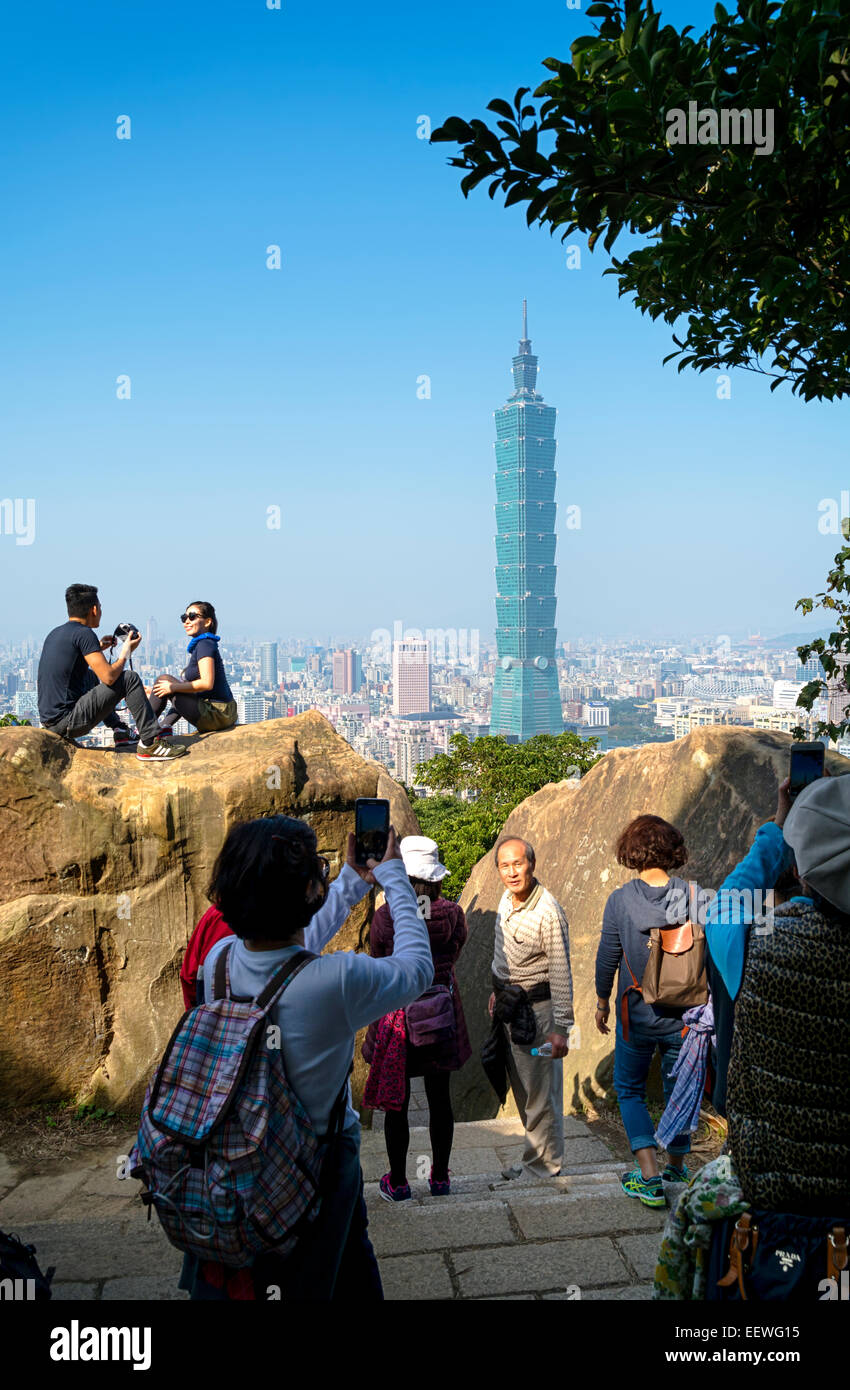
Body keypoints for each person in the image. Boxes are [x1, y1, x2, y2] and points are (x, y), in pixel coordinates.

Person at [181, 816, 433, 1301]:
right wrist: (393, 876)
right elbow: (417, 968)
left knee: (344, 1265)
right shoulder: (336, 981)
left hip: (232, 1156)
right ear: (307, 890)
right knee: (324, 1275)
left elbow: (288, 953)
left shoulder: (220, 961)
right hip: (313, 1167)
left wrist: (351, 884)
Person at [726, 773, 850, 1215]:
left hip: (773, 1197)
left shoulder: (760, 947)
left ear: (798, 870)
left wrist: (777, 829)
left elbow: (725, 906)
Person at [361, 835, 471, 1201]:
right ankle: (439, 1178)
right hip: (440, 1014)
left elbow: (379, 960)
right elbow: (456, 949)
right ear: (436, 878)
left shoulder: (386, 917)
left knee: (399, 1103)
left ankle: (399, 1181)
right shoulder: (452, 913)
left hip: (398, 1020)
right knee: (440, 1099)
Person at [595, 815, 695, 1208]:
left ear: (631, 852)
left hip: (635, 1015)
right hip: (683, 1018)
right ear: (671, 849)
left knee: (631, 1090)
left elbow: (608, 958)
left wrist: (602, 1001)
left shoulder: (621, 901)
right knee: (679, 1094)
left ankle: (649, 1177)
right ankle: (677, 1167)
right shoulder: (691, 894)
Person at [488, 836, 574, 1180]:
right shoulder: (506, 899)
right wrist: (497, 991)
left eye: (518, 864)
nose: (511, 872)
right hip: (509, 1006)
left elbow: (561, 970)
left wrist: (561, 1028)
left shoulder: (548, 911)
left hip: (539, 1013)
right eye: (504, 865)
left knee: (541, 1093)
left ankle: (543, 1169)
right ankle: (533, 1157)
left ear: (532, 865)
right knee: (524, 1090)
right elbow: (502, 955)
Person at [37, 583, 187, 761]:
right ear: (94, 609)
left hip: (50, 721)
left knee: (90, 676)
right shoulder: (84, 634)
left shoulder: (56, 633)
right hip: (67, 722)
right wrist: (125, 651)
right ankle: (150, 743)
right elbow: (109, 677)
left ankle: (120, 730)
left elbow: (70, 666)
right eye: (100, 607)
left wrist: (98, 647)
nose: (100, 611)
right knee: (129, 678)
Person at [147, 601, 236, 736]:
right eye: (184, 618)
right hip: (223, 713)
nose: (186, 622)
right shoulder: (204, 643)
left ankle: (144, 732)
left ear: (207, 622)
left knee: (163, 680)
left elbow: (207, 683)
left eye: (192, 616)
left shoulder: (205, 644)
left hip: (217, 713)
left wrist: (171, 688)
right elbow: (186, 694)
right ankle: (162, 727)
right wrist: (164, 691)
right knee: (167, 685)